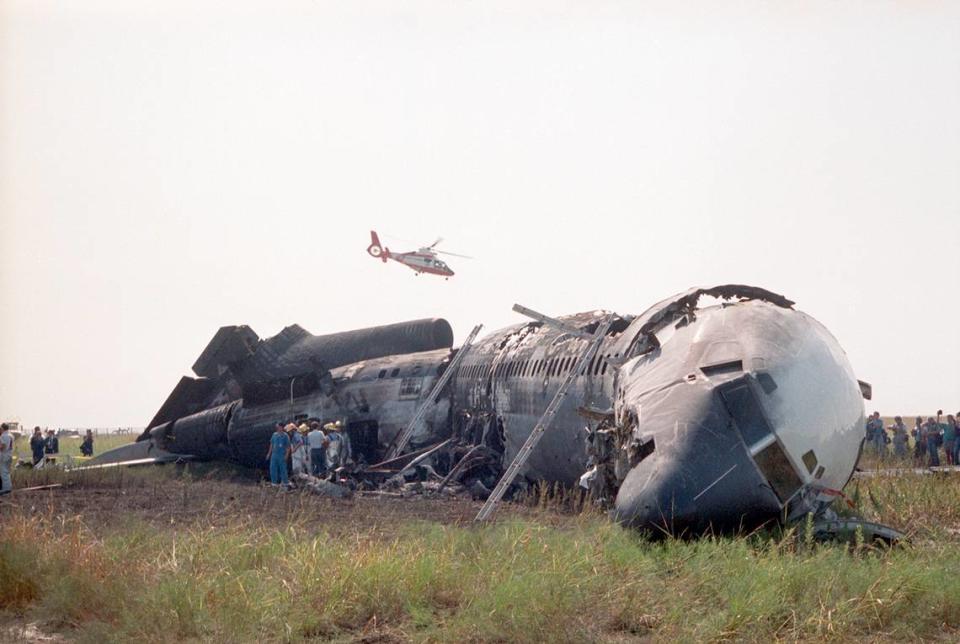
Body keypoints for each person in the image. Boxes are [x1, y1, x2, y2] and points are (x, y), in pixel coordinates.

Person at [265, 423, 291, 487]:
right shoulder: (274, 435)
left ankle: (285, 482)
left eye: (279, 427)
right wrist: (269, 453)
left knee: (283, 468)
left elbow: (288, 447)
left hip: (282, 454)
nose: (278, 428)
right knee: (273, 468)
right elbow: (271, 445)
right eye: (277, 427)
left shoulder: (285, 436)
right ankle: (274, 482)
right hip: (274, 454)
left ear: (282, 427)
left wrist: (286, 455)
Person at [0, 423, 13, 495]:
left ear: (2, 428)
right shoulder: (11, 435)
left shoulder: (3, 436)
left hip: (4, 456)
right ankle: (8, 487)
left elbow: (3, 446)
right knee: (7, 472)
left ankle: (6, 489)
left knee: (3, 473)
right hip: (9, 455)